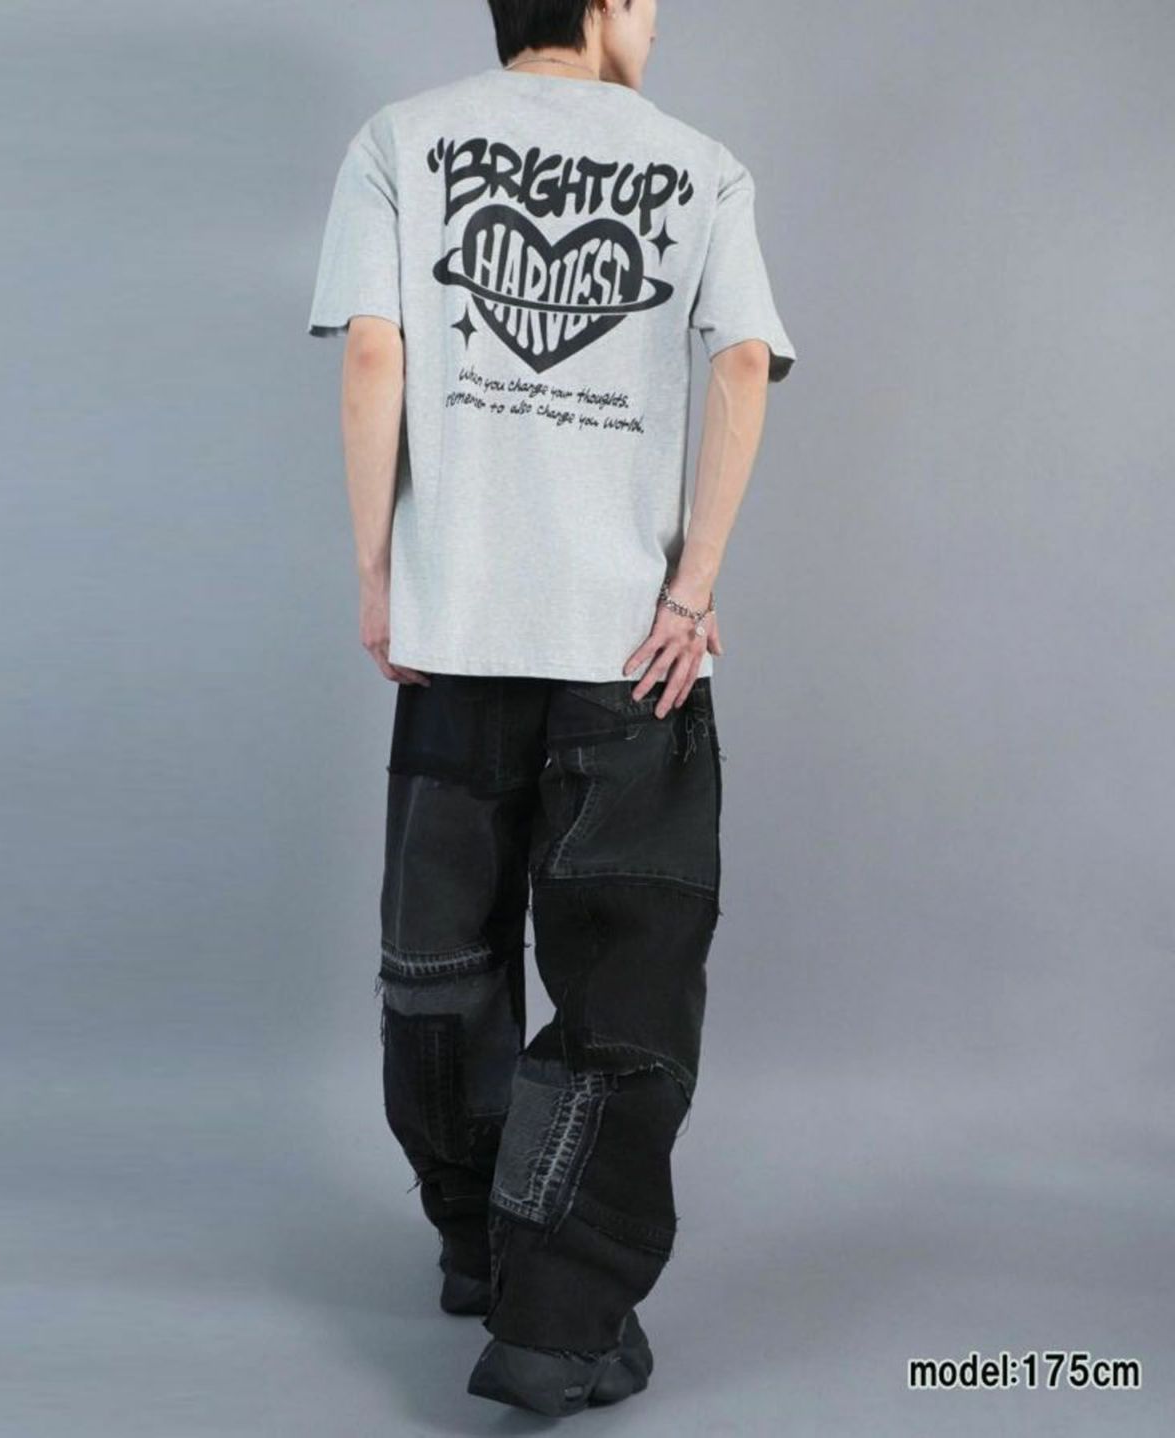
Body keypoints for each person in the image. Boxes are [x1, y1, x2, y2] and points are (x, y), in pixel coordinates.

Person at [306, 0, 796, 1416]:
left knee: (442, 969)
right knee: (622, 989)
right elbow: (742, 362)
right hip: (627, 663)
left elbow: (375, 356)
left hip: (458, 648)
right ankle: (555, 1321)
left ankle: (476, 1242)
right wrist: (693, 589)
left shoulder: (399, 140)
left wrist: (381, 572)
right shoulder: (704, 167)